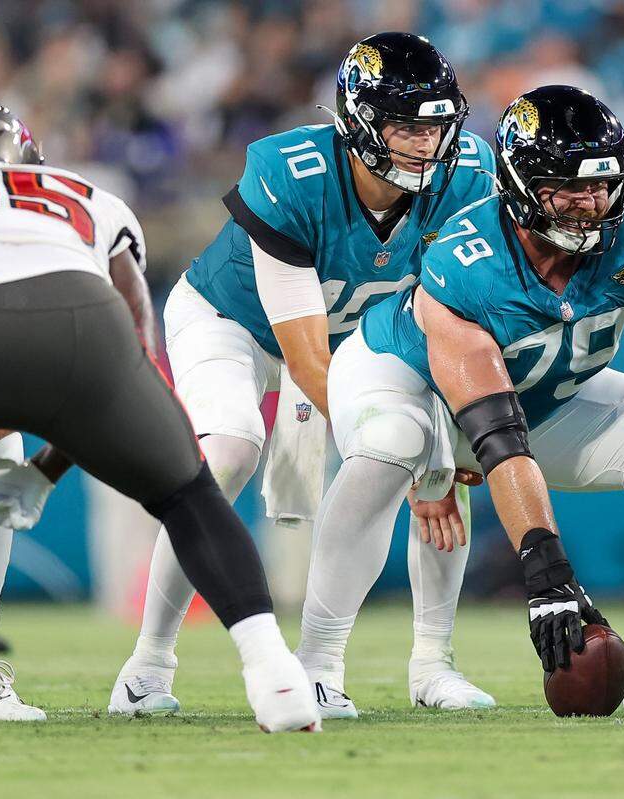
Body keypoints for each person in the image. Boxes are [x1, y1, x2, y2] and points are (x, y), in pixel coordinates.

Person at [304, 85, 624, 713]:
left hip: (539, 392)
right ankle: (316, 665)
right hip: (402, 378)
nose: (588, 203)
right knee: (397, 443)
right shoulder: (469, 261)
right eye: (565, 187)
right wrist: (547, 573)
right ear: (519, 185)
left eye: (599, 185)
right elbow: (497, 436)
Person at [108, 33, 498, 719]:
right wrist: (399, 451)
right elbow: (308, 359)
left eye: (435, 125)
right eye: (405, 126)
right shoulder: (292, 171)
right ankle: (148, 663)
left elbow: (453, 320)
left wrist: (431, 456)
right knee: (228, 452)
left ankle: (427, 663)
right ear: (357, 122)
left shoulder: (467, 175)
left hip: (359, 342)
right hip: (234, 323)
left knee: (441, 453)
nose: (425, 143)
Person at [0, 97, 317, 732]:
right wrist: (44, 472)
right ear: (27, 159)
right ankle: (275, 673)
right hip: (80, 327)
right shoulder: (82, 192)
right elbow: (131, 339)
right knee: (191, 496)